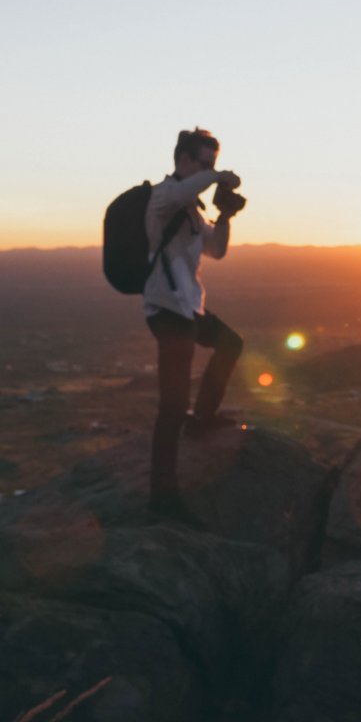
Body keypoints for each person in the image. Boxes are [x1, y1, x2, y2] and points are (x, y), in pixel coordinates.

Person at [144, 127, 243, 525]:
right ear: (183, 160)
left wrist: (224, 216)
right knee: (171, 405)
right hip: (166, 311)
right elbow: (187, 190)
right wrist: (219, 178)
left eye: (213, 163)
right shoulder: (163, 197)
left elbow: (216, 251)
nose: (210, 170)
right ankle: (162, 496)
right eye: (204, 163)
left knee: (231, 344)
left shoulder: (191, 209)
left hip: (188, 309)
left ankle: (202, 419)